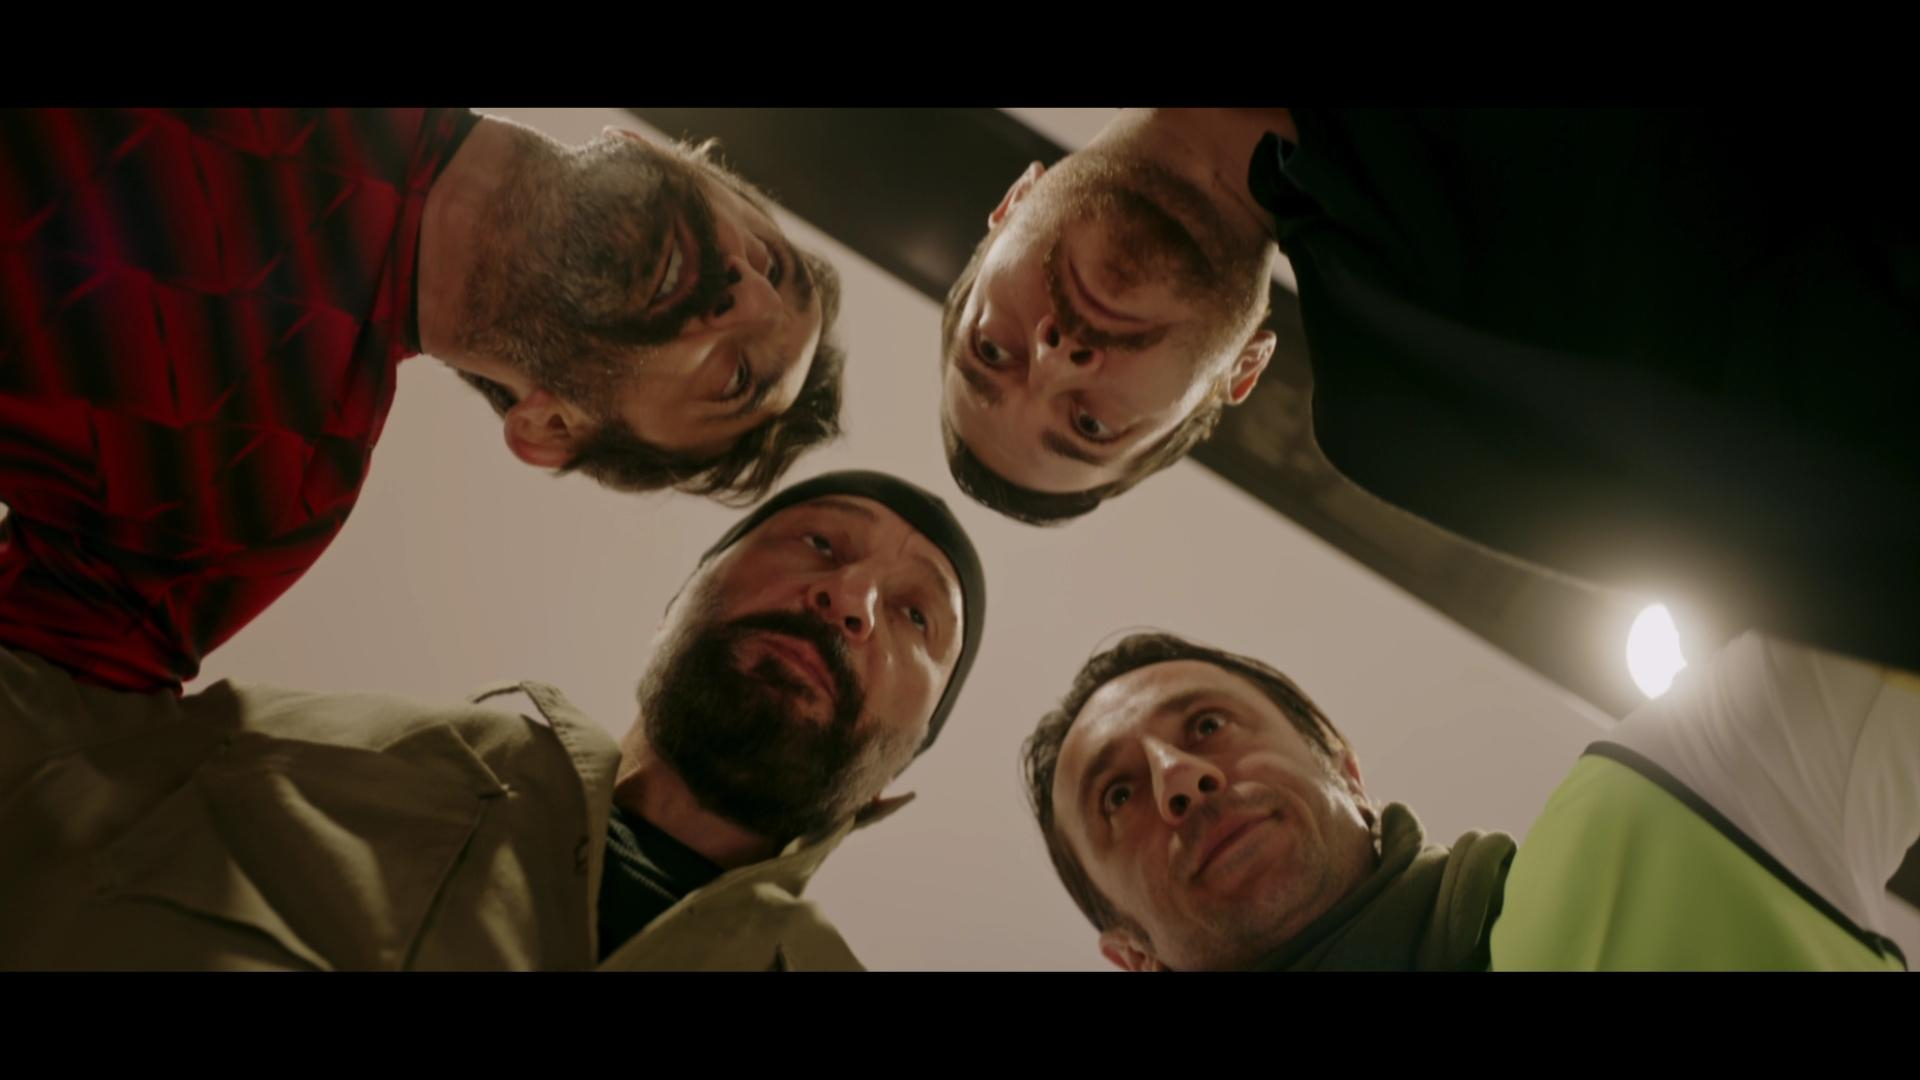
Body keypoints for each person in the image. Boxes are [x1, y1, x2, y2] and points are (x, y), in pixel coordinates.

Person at [940, 108, 1920, 672]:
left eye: (992, 349)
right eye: (1088, 423)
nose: (1056, 359)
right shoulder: (1407, 393)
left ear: (1012, 201)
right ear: (1239, 375)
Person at [0, 108, 846, 694]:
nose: (748, 295)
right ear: (652, 151)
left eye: (738, 379)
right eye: (775, 266)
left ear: (552, 427)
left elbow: (43, 739)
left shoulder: (261, 496)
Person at [0, 471, 985, 971]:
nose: (849, 599)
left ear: (896, 781)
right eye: (819, 543)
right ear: (675, 609)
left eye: (915, 616)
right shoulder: (268, 749)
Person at [1020, 628, 1915, 970]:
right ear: (1133, 960)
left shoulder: (1669, 804)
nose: (1180, 778)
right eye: (1119, 796)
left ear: (1345, 768)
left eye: (1209, 725)